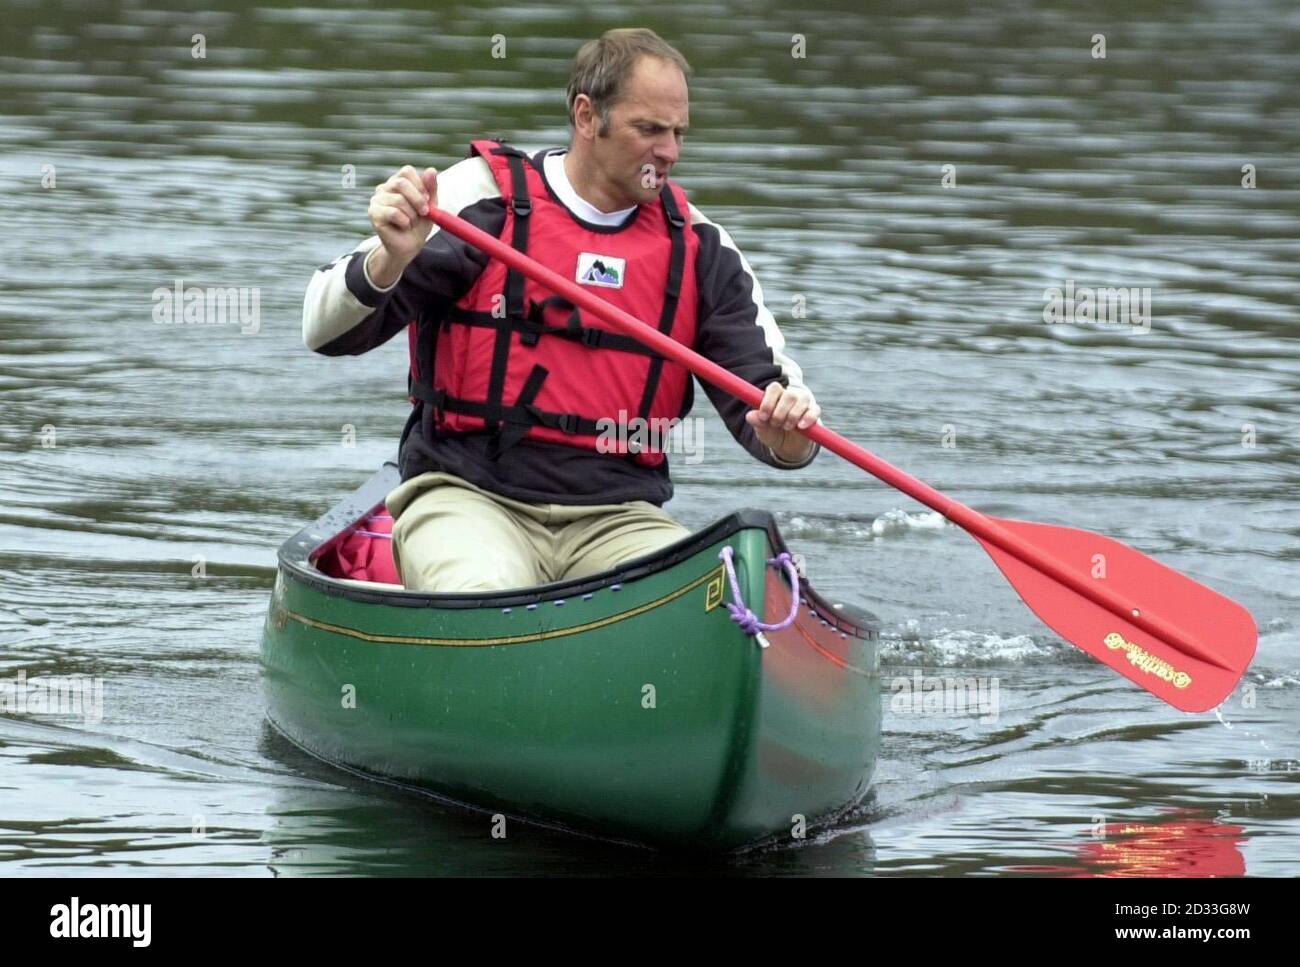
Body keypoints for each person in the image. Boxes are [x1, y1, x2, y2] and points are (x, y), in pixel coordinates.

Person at [303, 28, 821, 592]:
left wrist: (789, 431)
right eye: (648, 129)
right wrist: (389, 258)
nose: (668, 151)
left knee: (726, 598)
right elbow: (322, 333)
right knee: (490, 596)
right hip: (467, 497)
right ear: (585, 116)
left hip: (619, 519)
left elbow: (784, 432)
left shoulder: (700, 248)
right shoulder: (476, 199)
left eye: (677, 133)